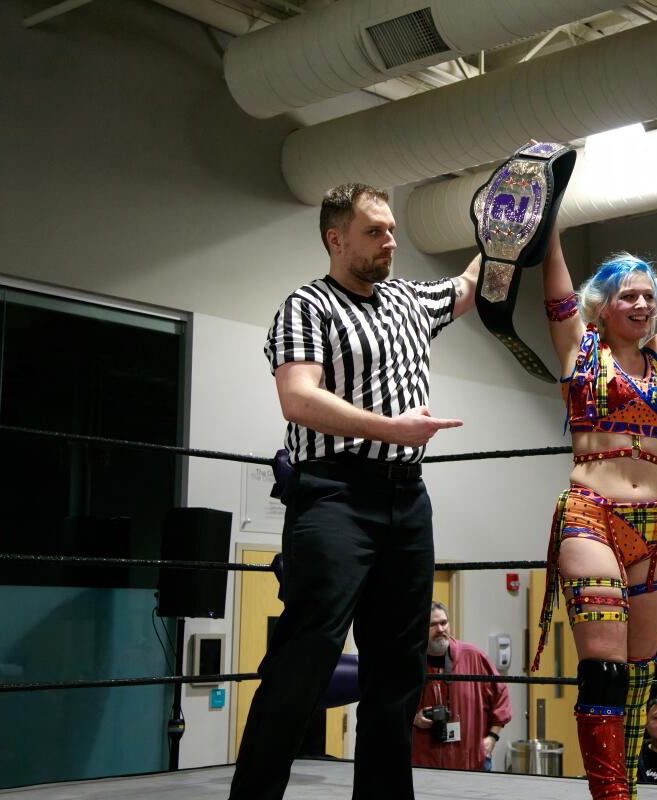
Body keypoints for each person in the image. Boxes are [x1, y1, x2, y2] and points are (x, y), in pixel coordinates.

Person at [229, 183, 479, 800]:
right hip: (336, 494)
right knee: (305, 657)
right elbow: (298, 397)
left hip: (406, 500)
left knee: (398, 671)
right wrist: (392, 428)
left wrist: (511, 227)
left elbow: (468, 288)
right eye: (374, 231)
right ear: (335, 239)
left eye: (391, 229)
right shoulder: (307, 306)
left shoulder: (408, 300)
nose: (390, 241)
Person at [530, 229, 657, 800]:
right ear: (601, 306)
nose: (641, 304)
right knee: (605, 670)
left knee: (640, 672)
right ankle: (610, 797)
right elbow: (553, 273)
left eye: (647, 297)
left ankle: (624, 789)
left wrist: (645, 279)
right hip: (592, 514)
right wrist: (551, 217)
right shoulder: (578, 347)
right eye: (627, 296)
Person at [411, 602, 511, 772]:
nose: (441, 629)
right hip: (423, 765)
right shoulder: (410, 662)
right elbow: (390, 705)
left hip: (470, 763)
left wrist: (492, 737)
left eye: (444, 623)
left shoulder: (473, 657)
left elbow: (501, 696)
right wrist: (413, 719)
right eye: (432, 625)